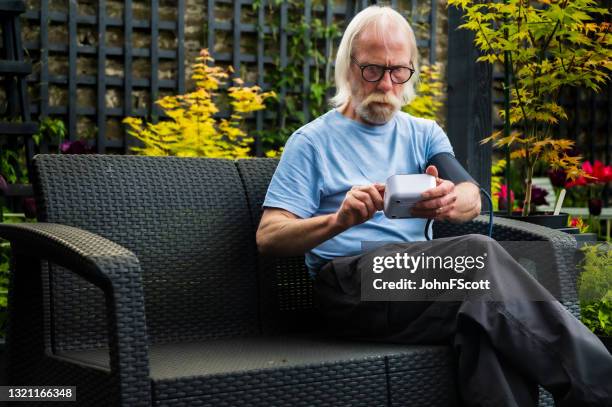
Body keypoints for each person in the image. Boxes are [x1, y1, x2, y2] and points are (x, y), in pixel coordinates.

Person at [256, 5, 612, 407]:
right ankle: (601, 388)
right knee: (478, 256)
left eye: (398, 71)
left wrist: (449, 200)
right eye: (373, 69)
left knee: (484, 326)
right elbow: (269, 237)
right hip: (352, 286)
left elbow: (471, 196)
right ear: (348, 67)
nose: (386, 84)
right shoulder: (312, 142)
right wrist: (338, 221)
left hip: (422, 283)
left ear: (411, 70)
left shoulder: (423, 133)